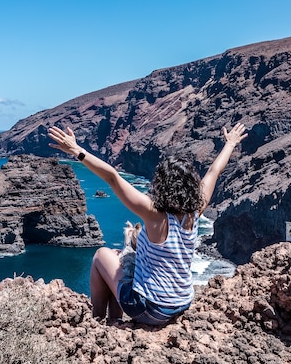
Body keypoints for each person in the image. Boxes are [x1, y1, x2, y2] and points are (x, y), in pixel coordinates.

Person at [48, 123, 248, 325]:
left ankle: (99, 322)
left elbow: (112, 177)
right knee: (118, 257)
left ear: (161, 184)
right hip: (181, 303)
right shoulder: (196, 210)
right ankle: (114, 319)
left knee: (101, 255)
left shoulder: (155, 214)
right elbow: (214, 171)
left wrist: (77, 151)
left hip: (151, 309)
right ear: (191, 185)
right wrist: (230, 143)